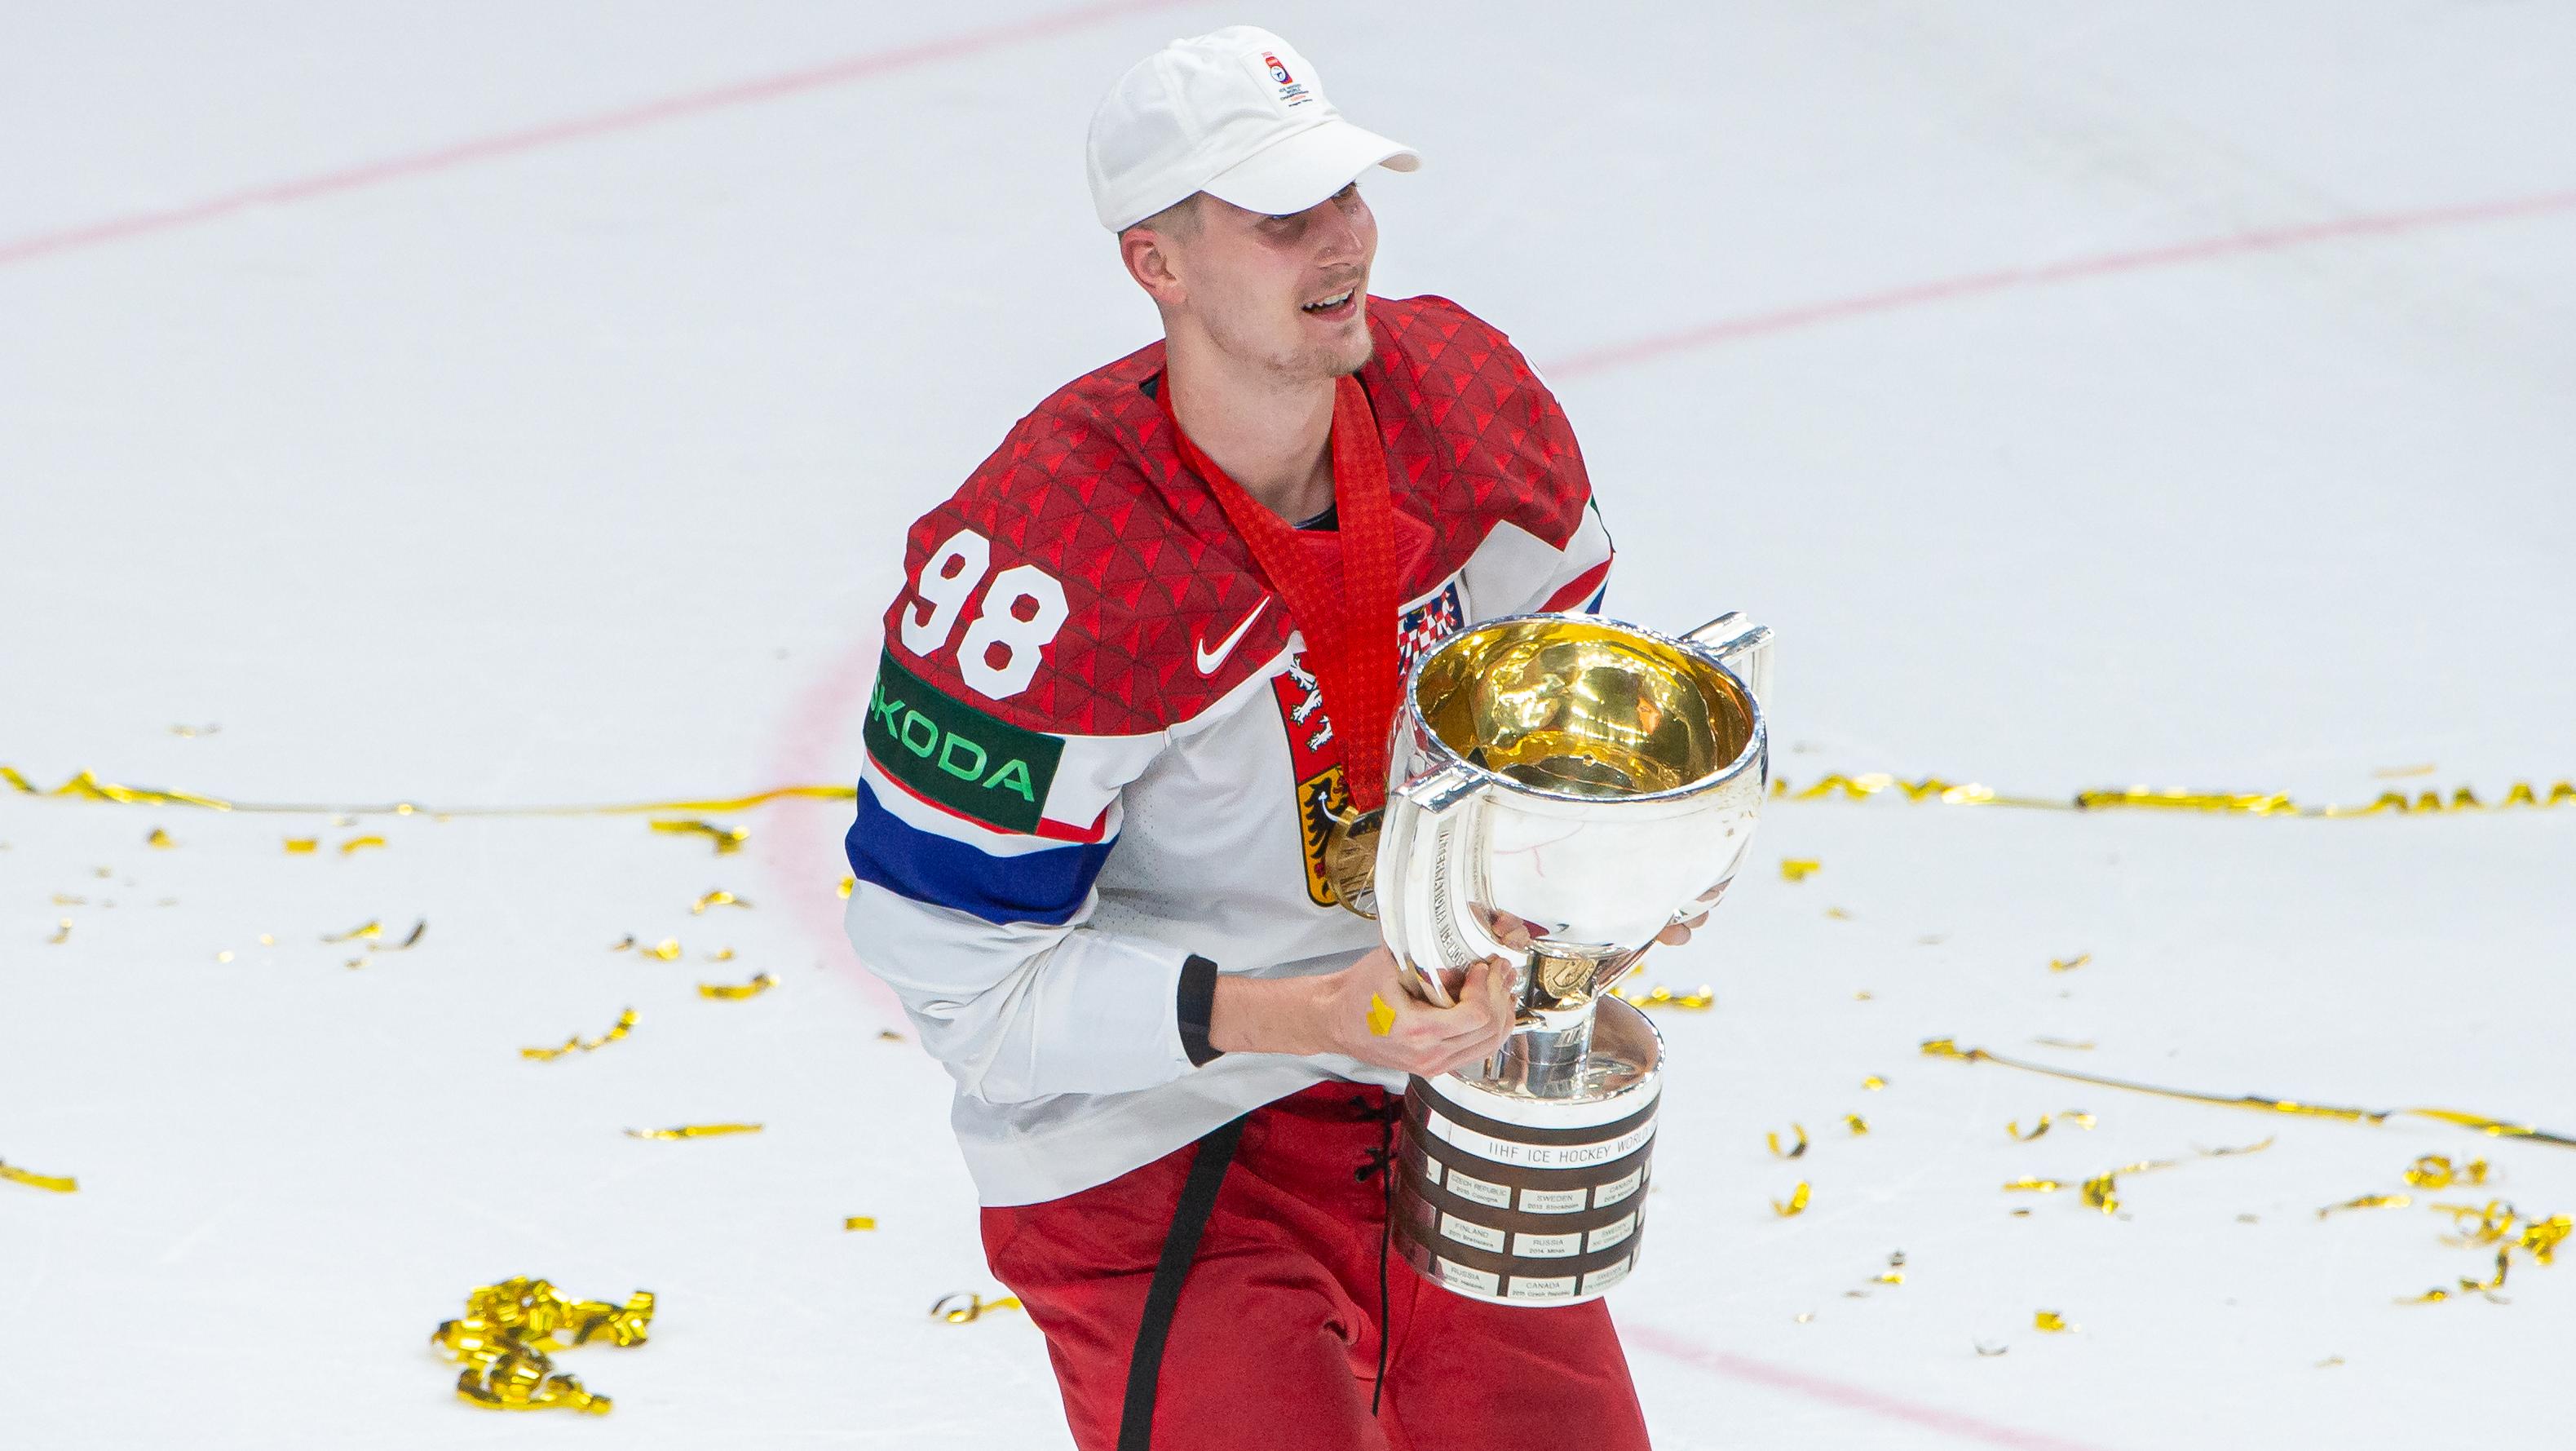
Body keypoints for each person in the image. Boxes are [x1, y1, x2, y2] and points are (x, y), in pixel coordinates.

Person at [845, 24, 1694, 1450]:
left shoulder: (1471, 411)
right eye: (1282, 219)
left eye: (1349, 198)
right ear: (1156, 263)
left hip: (1431, 1082)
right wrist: (1300, 1016)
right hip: (1151, 1138)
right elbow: (968, 999)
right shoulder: (1044, 574)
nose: (1342, 245)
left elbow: (1558, 729)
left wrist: (1600, 868)